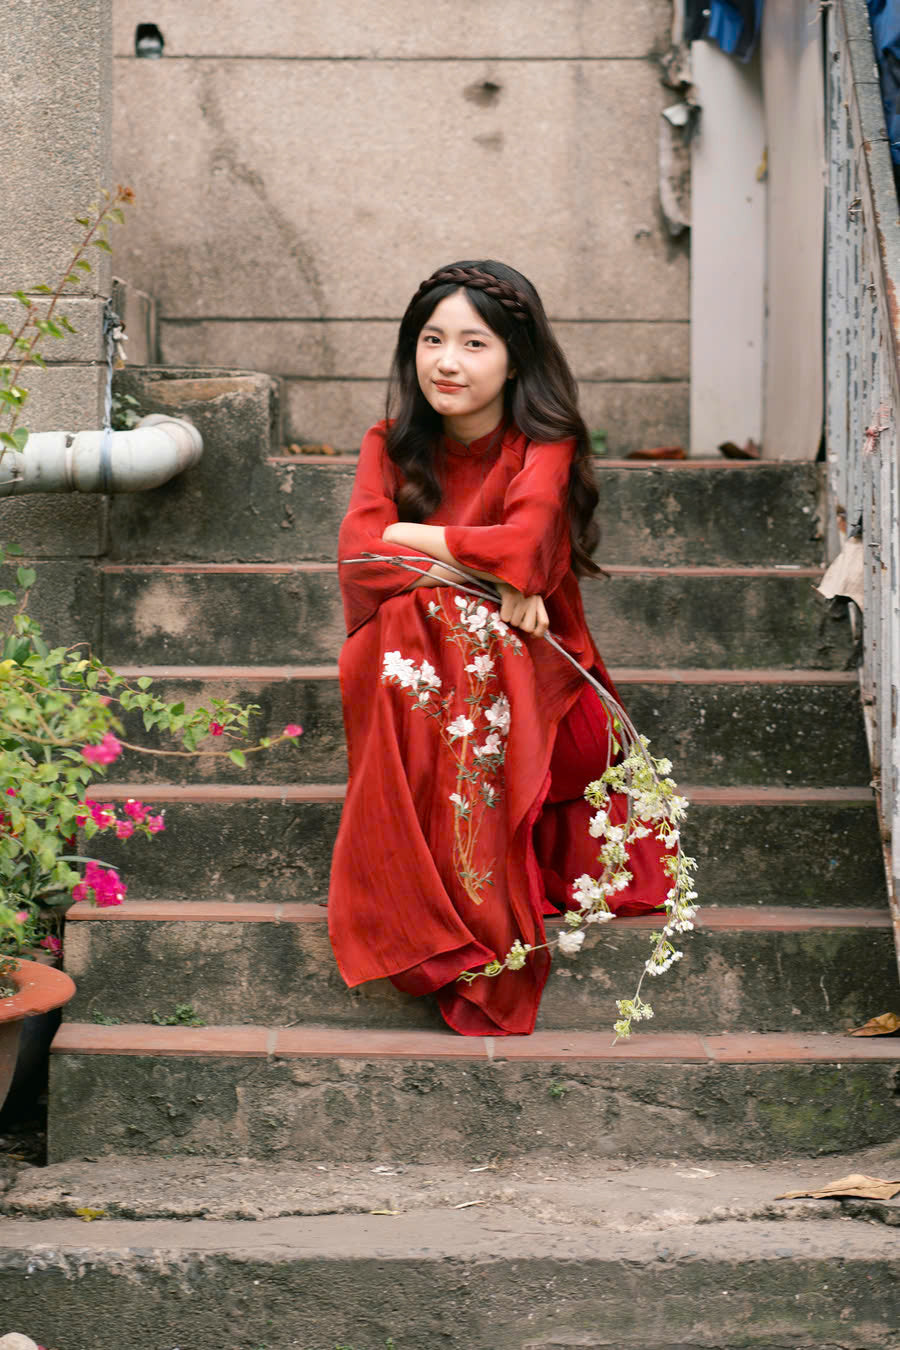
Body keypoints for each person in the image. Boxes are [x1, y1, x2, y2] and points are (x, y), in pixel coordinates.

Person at [328, 260, 672, 1036]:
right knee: (423, 617)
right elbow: (357, 557)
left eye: (474, 343)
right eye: (432, 340)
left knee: (432, 613)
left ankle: (465, 901)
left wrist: (411, 540)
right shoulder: (387, 442)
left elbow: (521, 547)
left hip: (551, 708)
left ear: (516, 355)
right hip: (427, 686)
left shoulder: (544, 443)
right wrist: (481, 573)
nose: (447, 361)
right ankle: (442, 895)